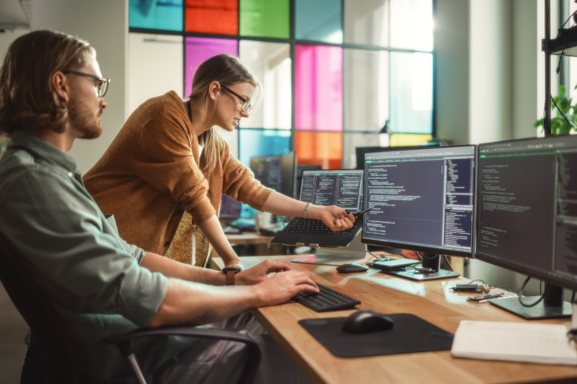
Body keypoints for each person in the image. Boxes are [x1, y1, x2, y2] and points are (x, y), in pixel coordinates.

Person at [0, 30, 319, 384]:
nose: (102, 100)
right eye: (96, 84)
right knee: (297, 352)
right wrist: (252, 288)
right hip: (137, 354)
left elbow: (132, 256)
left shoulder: (53, 175)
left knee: (272, 316)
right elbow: (141, 292)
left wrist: (234, 278)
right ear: (61, 85)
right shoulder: (34, 183)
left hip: (143, 335)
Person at [83, 54, 356, 268]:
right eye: (243, 102)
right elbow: (195, 196)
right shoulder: (165, 117)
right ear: (215, 90)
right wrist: (232, 261)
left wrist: (318, 211)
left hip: (141, 264)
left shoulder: (212, 143)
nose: (245, 113)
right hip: (100, 250)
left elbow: (251, 190)